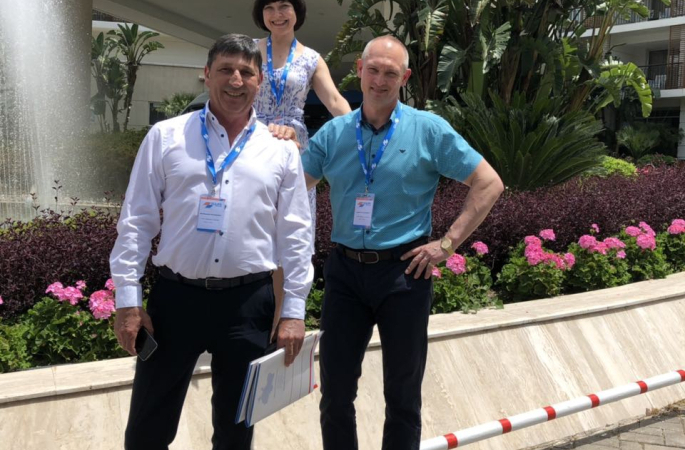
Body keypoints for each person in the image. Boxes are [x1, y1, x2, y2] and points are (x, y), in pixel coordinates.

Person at [109, 34, 313, 450]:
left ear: (259, 81)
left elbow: (296, 235)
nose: (236, 80)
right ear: (206, 74)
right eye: (225, 70)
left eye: (246, 72)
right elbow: (136, 221)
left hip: (247, 306)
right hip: (175, 303)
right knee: (147, 429)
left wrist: (293, 311)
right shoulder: (165, 136)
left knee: (236, 432)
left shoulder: (281, 150)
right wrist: (128, 301)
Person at [301, 36, 504, 450]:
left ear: (405, 77)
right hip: (345, 274)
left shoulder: (428, 130)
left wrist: (446, 245)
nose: (379, 80)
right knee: (335, 393)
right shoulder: (333, 134)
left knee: (403, 396)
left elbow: (489, 182)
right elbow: (289, 190)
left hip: (404, 273)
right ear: (359, 69)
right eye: (373, 70)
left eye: (390, 73)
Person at [251, 0, 352, 324]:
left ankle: (280, 323)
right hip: (251, 143)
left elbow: (334, 100)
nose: (277, 14)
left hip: (293, 150)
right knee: (250, 229)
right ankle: (248, 321)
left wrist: (361, 133)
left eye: (285, 6)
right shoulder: (248, 50)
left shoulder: (311, 58)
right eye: (269, 7)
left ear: (297, 12)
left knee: (289, 237)